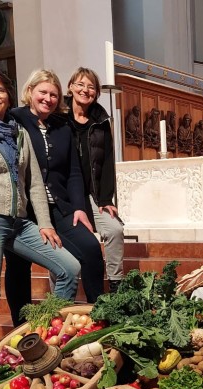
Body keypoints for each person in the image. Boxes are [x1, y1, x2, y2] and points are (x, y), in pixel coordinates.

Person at [0, 68, 80, 356]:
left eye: (0, 90)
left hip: (19, 222)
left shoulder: (18, 132)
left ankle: (46, 338)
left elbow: (33, 182)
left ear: (9, 96)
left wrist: (45, 223)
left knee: (69, 268)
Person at [5, 69, 105, 325]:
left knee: (91, 248)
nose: (48, 98)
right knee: (18, 266)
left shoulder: (62, 126)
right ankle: (21, 326)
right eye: (43, 92)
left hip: (60, 206)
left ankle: (99, 312)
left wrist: (79, 208)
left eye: (53, 94)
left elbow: (72, 171)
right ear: (30, 92)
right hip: (25, 209)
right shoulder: (15, 118)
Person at [65, 67, 124, 293]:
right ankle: (62, 295)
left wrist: (106, 198)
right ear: (70, 87)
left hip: (93, 193)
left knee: (114, 230)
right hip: (67, 193)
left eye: (91, 87)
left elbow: (108, 161)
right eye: (80, 84)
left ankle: (116, 283)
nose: (85, 90)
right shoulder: (58, 118)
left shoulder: (101, 122)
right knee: (68, 238)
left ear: (97, 93)